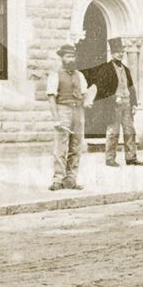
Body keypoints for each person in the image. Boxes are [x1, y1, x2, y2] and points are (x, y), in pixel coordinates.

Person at [82, 37, 143, 167]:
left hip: (127, 103)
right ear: (112, 53)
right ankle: (110, 158)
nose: (120, 54)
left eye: (121, 51)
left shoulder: (126, 69)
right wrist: (113, 97)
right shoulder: (106, 69)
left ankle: (131, 157)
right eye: (117, 51)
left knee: (130, 131)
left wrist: (134, 103)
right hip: (114, 104)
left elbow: (131, 87)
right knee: (113, 131)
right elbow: (102, 88)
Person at [45, 43, 92, 191]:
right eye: (68, 56)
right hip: (63, 110)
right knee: (61, 146)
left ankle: (71, 178)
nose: (71, 59)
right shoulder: (55, 75)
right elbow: (51, 97)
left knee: (76, 146)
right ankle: (58, 179)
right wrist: (56, 118)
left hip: (78, 112)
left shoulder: (80, 75)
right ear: (62, 58)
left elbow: (85, 94)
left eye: (73, 56)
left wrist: (88, 100)